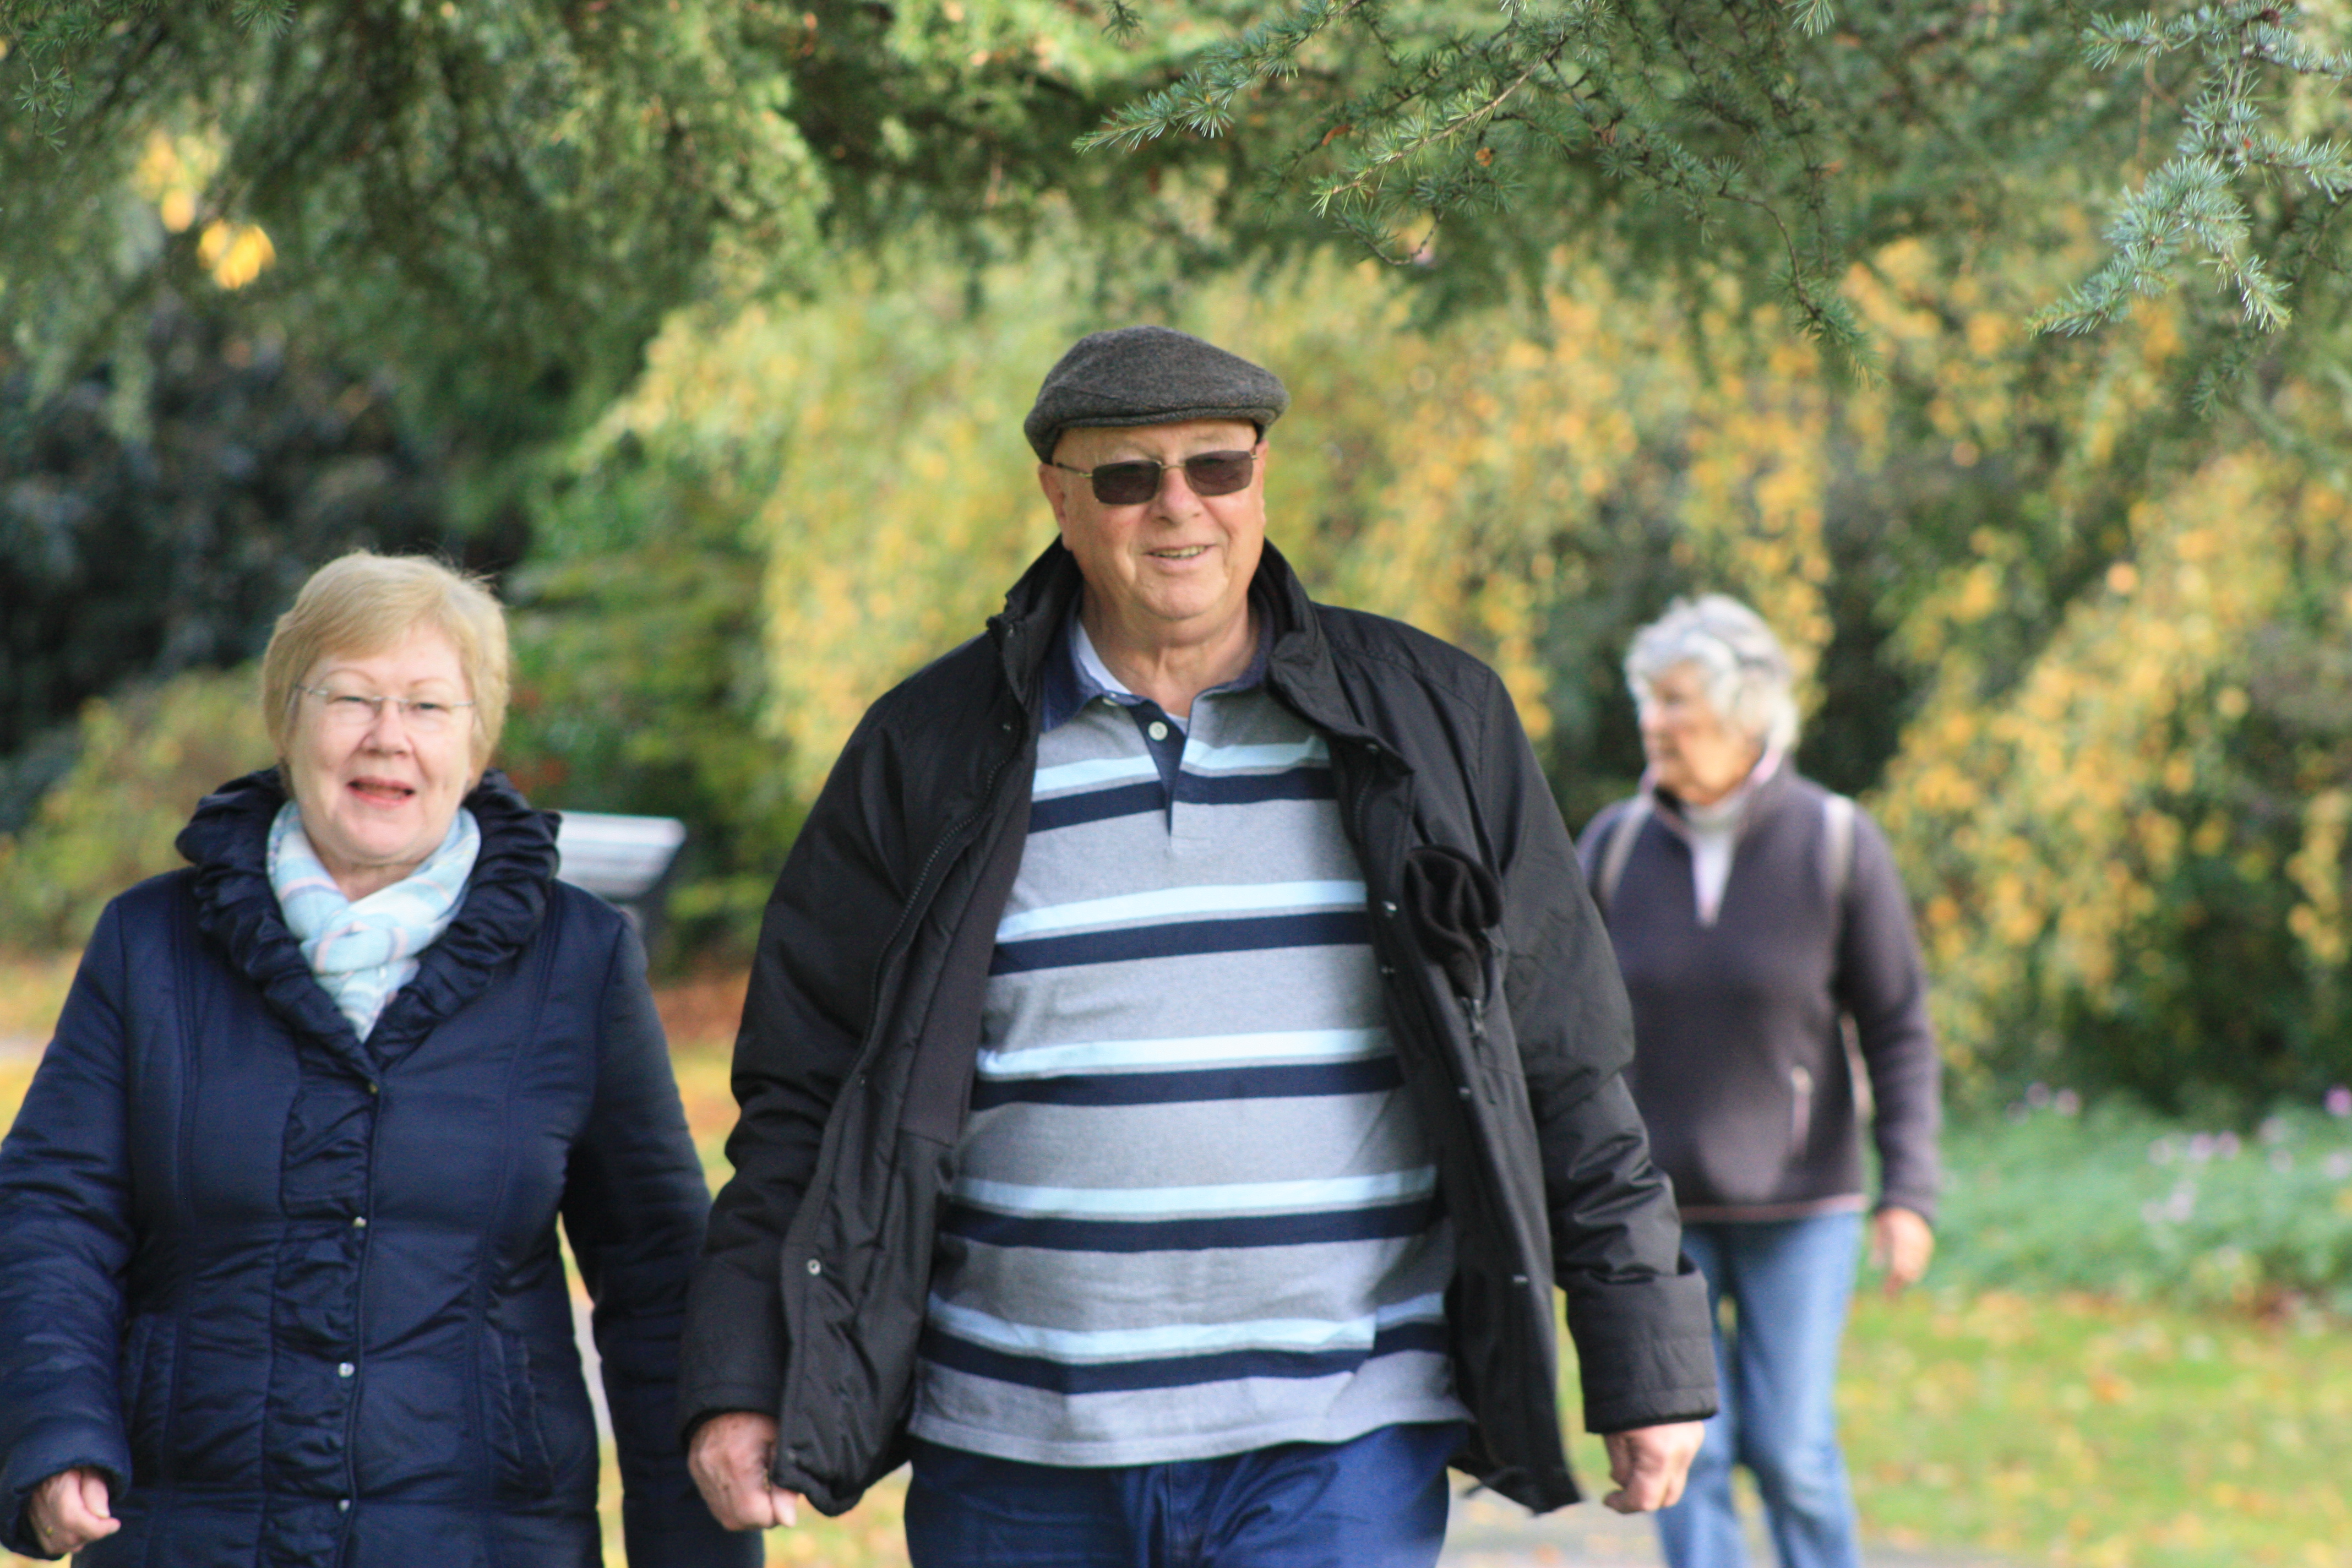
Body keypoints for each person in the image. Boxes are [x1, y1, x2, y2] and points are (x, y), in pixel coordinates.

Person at [678, 325, 1718, 1567]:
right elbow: (802, 1090)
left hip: (1339, 1441)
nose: (1180, 509)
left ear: (1261, 478)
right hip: (1017, 1451)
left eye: (1216, 468)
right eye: (1129, 477)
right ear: (1060, 499)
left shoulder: (1436, 721)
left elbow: (1561, 1056)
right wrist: (742, 1374)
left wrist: (1644, 1352)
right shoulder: (927, 750)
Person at [0, 553, 760, 1568]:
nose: (386, 737)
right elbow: (52, 1216)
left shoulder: (575, 960)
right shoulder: (153, 946)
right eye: (350, 696)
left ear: (477, 739)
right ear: (287, 718)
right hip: (190, 1536)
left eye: (428, 706)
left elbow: (662, 1280)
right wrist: (54, 1435)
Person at [1579, 595, 1941, 1568]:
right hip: (1656, 1214)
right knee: (1687, 1450)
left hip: (1801, 1206)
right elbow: (1565, 1027)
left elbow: (1899, 1029)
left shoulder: (1836, 841)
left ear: (1748, 714)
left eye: (1679, 700)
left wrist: (1909, 1194)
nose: (1656, 721)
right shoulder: (1611, 847)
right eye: (1650, 699)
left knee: (1792, 1451)